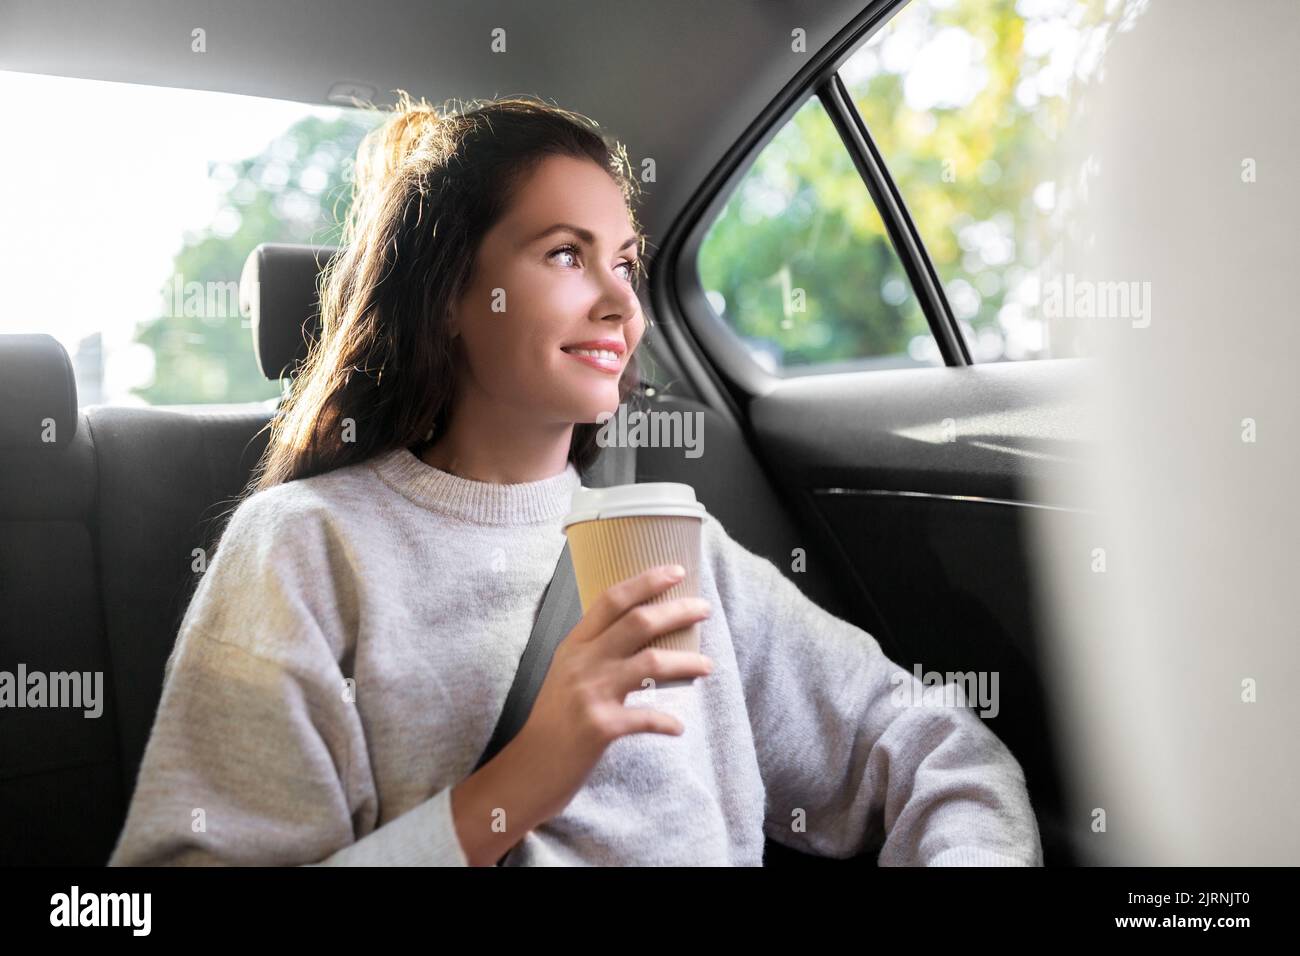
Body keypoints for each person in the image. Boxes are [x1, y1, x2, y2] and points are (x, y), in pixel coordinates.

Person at [108, 92, 1043, 867]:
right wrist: (519, 786)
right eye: (565, 254)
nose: (620, 302)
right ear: (448, 301)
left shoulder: (681, 552)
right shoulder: (304, 548)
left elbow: (933, 749)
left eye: (626, 263)